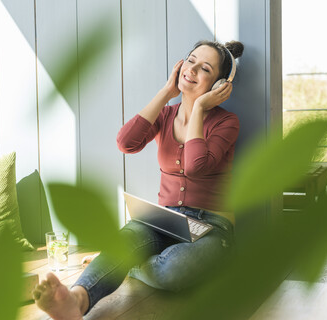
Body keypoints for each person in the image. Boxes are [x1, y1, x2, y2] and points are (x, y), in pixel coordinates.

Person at [33, 39, 244, 320]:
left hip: (211, 228)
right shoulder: (165, 114)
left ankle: (118, 260)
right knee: (131, 246)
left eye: (204, 68)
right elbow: (126, 143)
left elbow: (195, 166)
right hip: (163, 220)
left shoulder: (227, 122)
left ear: (219, 85)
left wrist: (199, 109)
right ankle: (76, 300)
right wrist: (166, 91)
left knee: (171, 272)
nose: (191, 70)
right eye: (190, 60)